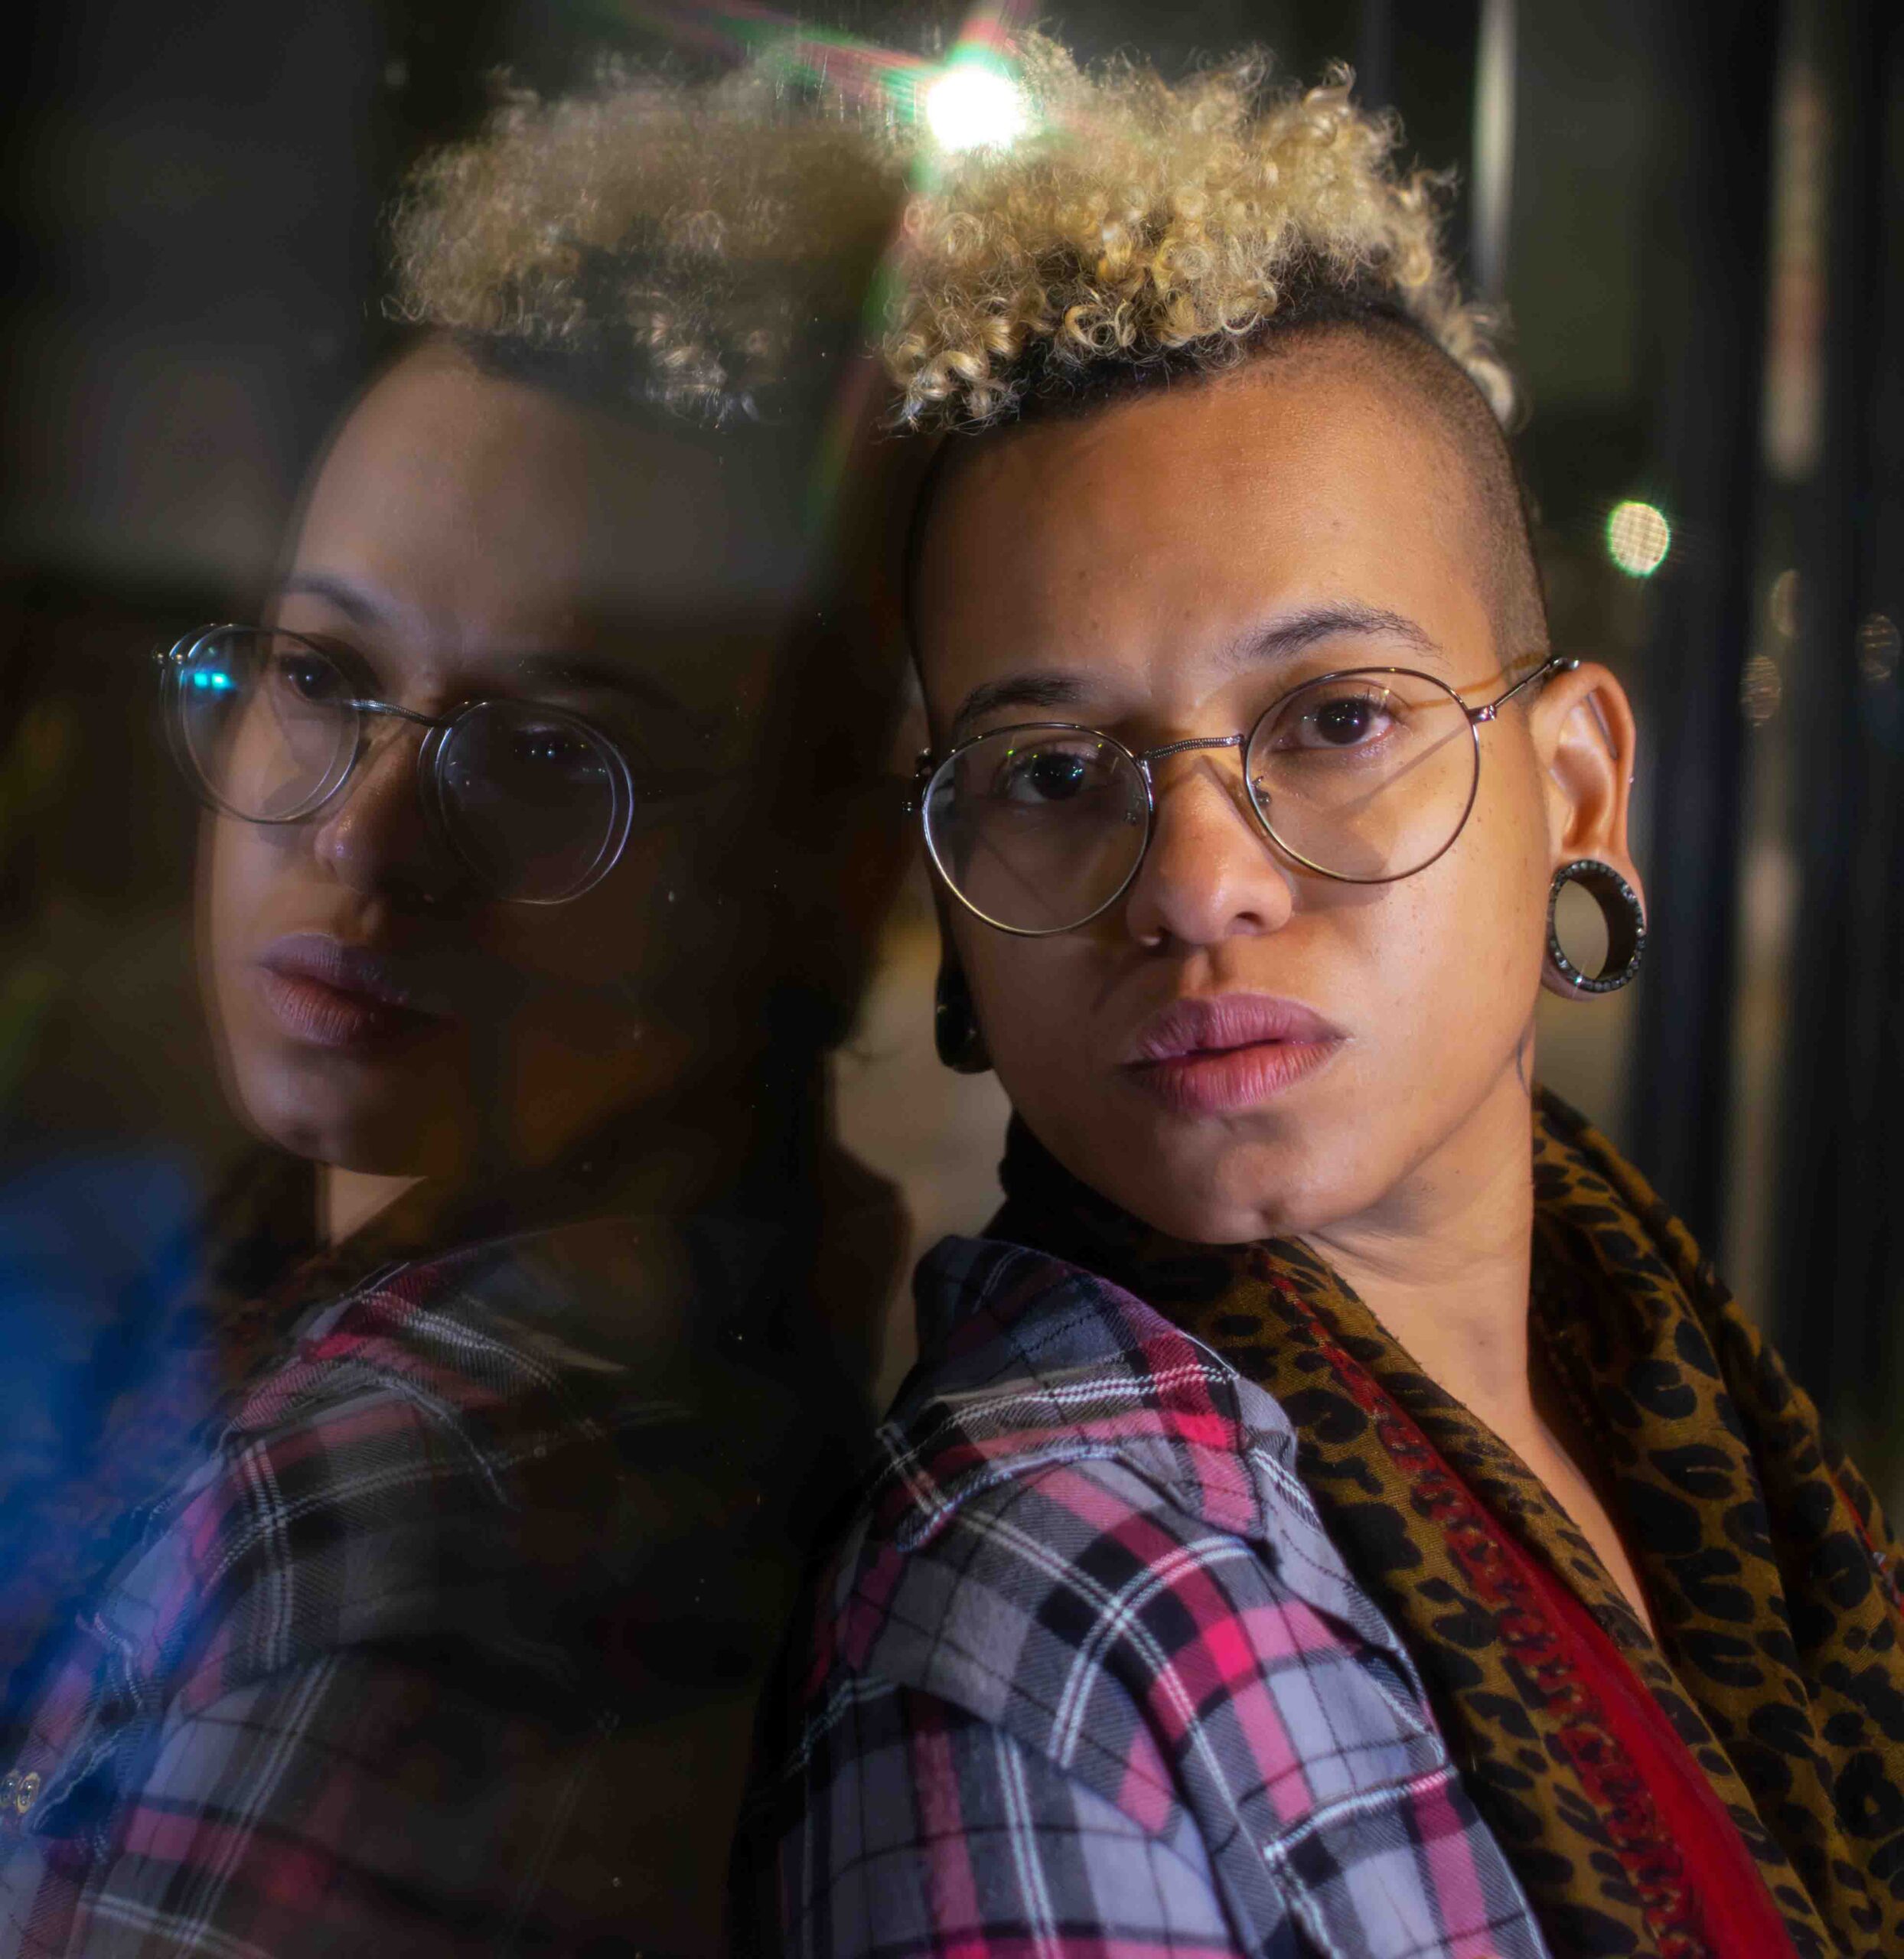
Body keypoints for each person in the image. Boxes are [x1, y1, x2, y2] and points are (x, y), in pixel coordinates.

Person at [736, 38, 1904, 1959]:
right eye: (1051, 770)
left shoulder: (1651, 1385)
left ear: (1573, 790)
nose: (1196, 882)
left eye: (1338, 718)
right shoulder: (1042, 1621)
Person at [0, 72, 907, 1957]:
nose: (363, 835)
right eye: (322, 672)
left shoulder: (421, 1486)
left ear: (789, 864)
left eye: (549, 751)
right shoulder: (277, 1281)